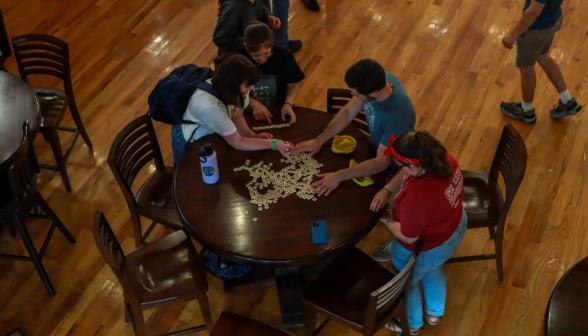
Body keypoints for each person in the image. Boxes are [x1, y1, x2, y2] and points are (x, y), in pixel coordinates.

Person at [370, 131, 467, 335]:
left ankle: (412, 324)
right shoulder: (444, 159)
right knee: (432, 269)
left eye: (401, 167)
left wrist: (387, 220)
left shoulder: (418, 198)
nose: (400, 170)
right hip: (454, 226)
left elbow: (408, 236)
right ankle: (434, 312)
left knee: (406, 280)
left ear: (414, 166)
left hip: (428, 246)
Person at [294, 58, 416, 197]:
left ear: (373, 93)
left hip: (395, 170)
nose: (352, 95)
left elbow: (381, 163)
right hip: (373, 148)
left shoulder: (397, 118)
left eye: (355, 94)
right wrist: (319, 140)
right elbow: (347, 113)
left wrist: (338, 176)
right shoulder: (381, 79)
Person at [171, 54, 294, 165]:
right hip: (189, 139)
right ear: (232, 85)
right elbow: (238, 142)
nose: (253, 88)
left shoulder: (238, 91)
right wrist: (274, 144)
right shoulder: (210, 106)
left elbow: (236, 115)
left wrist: (251, 135)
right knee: (187, 173)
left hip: (213, 130)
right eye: (248, 85)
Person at [500, 0, 581, 123]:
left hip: (535, 29)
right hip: (553, 19)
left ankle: (526, 110)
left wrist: (513, 35)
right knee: (541, 55)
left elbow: (533, 12)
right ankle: (567, 100)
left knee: (526, 68)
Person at [234, 21, 305, 124]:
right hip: (245, 113)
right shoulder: (237, 59)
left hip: (278, 110)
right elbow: (232, 89)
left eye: (267, 53)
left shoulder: (284, 55)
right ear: (246, 47)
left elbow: (293, 84)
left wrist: (288, 103)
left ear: (271, 42)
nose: (262, 59)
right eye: (256, 56)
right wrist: (253, 104)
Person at [213, 0, 281, 55]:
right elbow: (220, 38)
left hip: (255, 52)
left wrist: (267, 16)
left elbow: (258, 7)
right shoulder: (233, 6)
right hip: (239, 59)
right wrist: (248, 41)